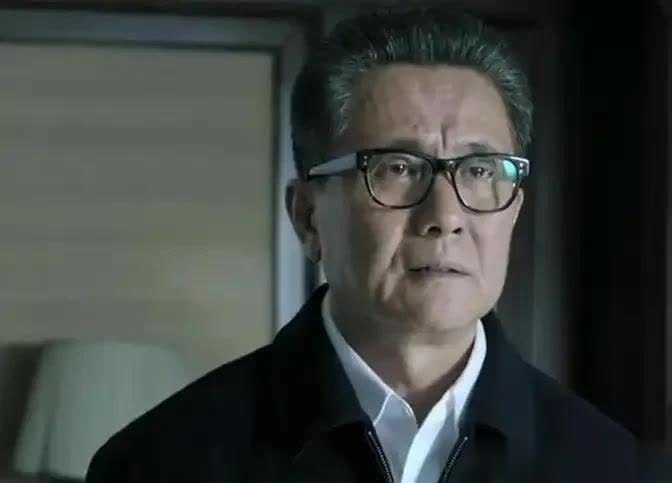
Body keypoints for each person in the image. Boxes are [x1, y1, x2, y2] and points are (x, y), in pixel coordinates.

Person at [85, 7, 639, 483]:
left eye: (478, 170)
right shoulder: (164, 461)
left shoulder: (608, 465)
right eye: (397, 168)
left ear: (514, 210)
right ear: (308, 217)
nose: (445, 217)